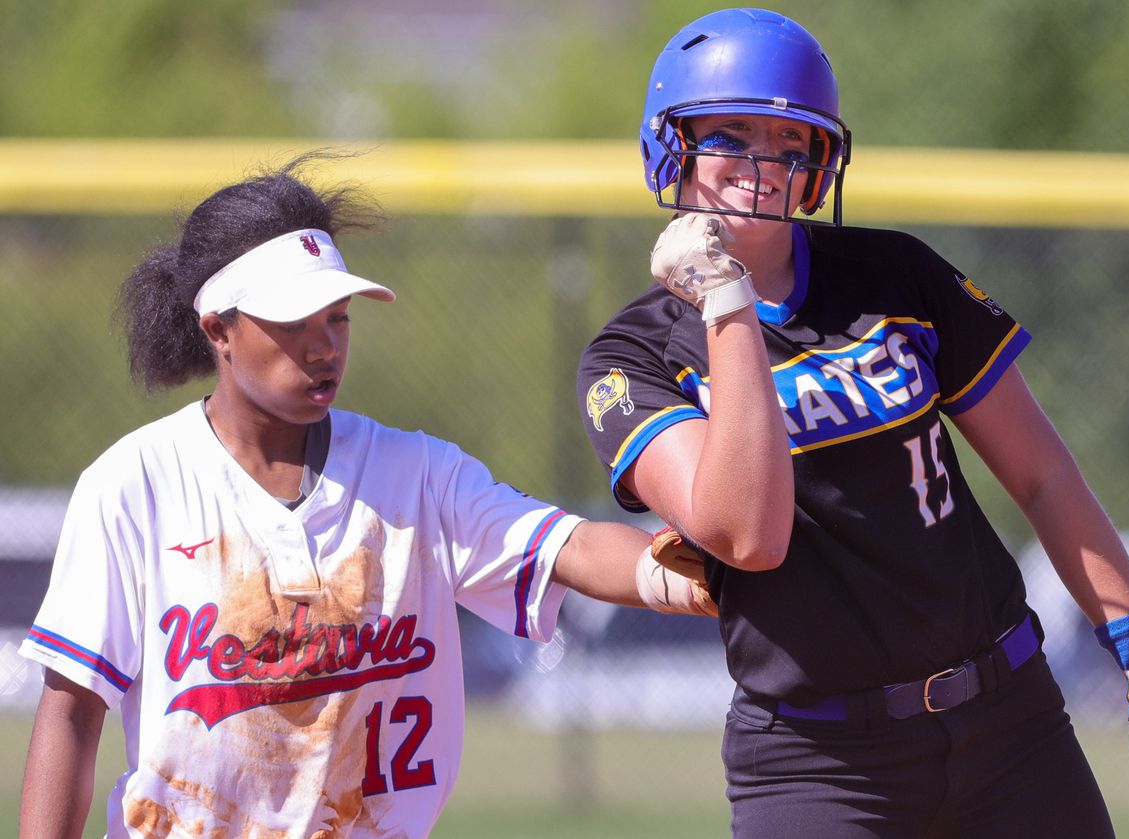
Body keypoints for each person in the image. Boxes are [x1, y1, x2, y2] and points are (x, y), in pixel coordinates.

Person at [576, 8, 1129, 837]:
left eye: (791, 139)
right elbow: (746, 534)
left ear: (819, 160)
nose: (763, 163)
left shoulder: (893, 274)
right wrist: (727, 301)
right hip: (819, 761)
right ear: (674, 146)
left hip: (1009, 724)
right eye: (731, 135)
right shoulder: (632, 357)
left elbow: (1043, 475)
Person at [18, 155, 712, 839]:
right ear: (218, 329)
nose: (324, 347)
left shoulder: (414, 476)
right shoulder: (136, 484)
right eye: (293, 323)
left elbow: (570, 545)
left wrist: (692, 576)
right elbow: (72, 711)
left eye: (338, 317)